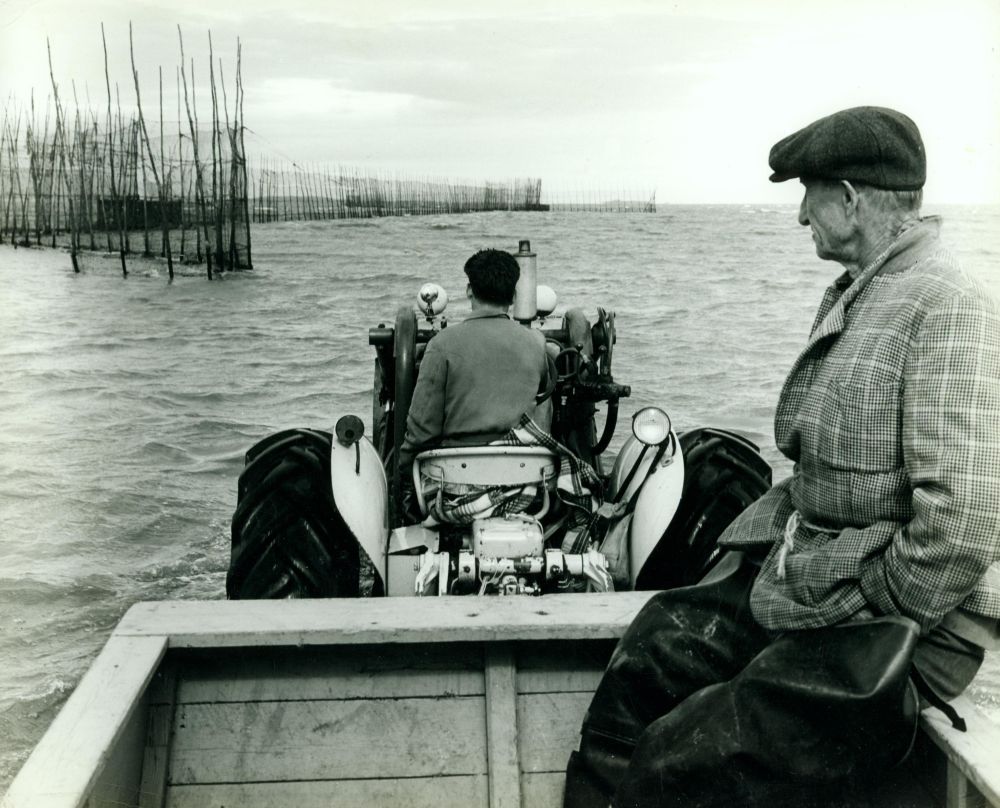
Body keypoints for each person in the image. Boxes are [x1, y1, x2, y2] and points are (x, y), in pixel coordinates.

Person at [564, 106, 1000, 807]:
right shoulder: (867, 293)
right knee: (652, 656)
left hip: (901, 630)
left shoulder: (946, 305)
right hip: (819, 587)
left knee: (680, 763)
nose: (801, 215)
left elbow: (964, 522)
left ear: (851, 200)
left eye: (809, 194)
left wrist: (870, 608)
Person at [398, 248, 553, 488]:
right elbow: (542, 404)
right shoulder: (536, 343)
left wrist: (404, 475)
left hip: (455, 481)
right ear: (513, 296)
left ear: (469, 290)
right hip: (522, 478)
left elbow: (421, 431)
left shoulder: (441, 344)